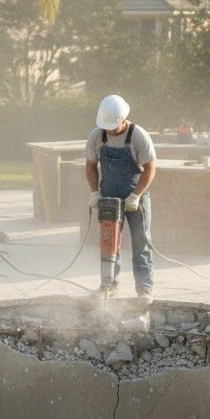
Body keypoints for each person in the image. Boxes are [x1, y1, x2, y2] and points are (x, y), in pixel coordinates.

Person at [85, 94, 156, 306]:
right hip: (108, 194)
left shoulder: (138, 136)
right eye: (106, 126)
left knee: (141, 244)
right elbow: (90, 165)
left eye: (113, 126)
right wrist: (94, 192)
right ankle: (109, 285)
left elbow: (150, 168)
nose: (109, 130)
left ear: (123, 118)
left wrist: (136, 195)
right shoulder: (97, 136)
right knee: (109, 242)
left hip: (136, 196)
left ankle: (144, 289)